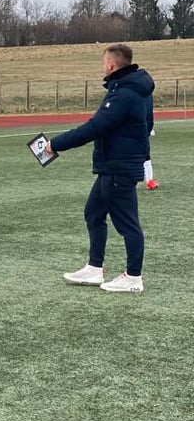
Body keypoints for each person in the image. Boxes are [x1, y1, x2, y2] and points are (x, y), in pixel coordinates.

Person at [45, 43, 153, 293]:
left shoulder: (125, 94)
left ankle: (133, 277)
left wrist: (55, 144)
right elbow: (147, 125)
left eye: (104, 62)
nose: (103, 66)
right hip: (112, 165)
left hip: (119, 167)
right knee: (93, 213)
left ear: (111, 64)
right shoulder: (134, 89)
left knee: (128, 224)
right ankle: (95, 268)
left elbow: (94, 127)